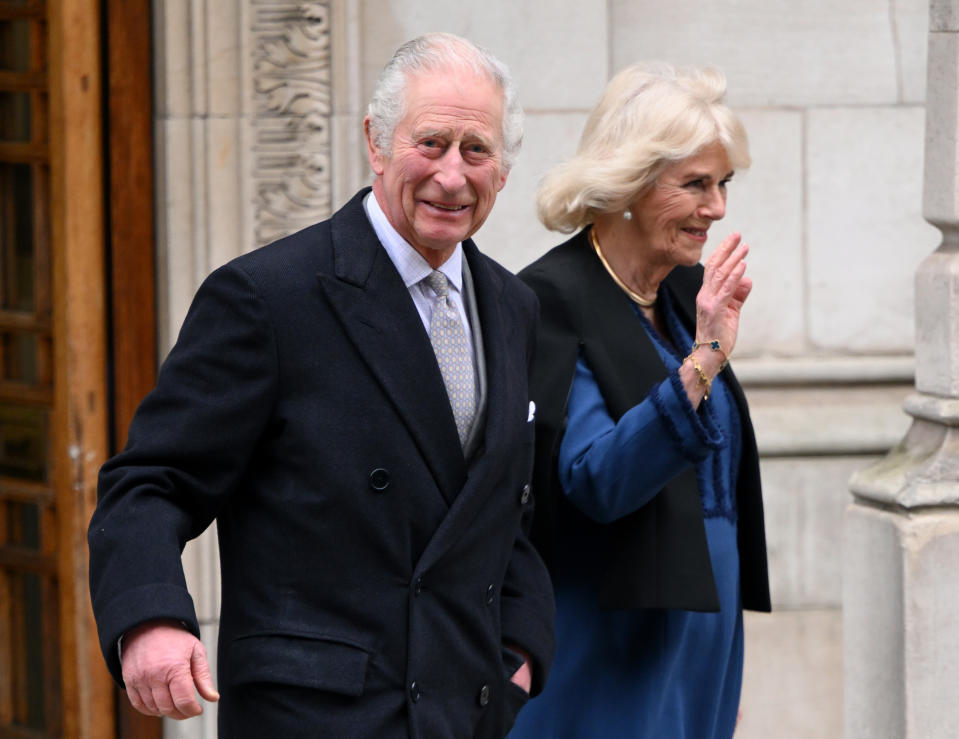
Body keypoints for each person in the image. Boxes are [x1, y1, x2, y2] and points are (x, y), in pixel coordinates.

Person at [88, 32, 554, 737]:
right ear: (375, 141)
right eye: (429, 143)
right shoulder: (267, 297)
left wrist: (519, 649)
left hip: (467, 711)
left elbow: (503, 512)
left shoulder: (513, 306)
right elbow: (152, 480)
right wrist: (150, 617)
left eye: (476, 150)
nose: (452, 176)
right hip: (316, 716)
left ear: (504, 168)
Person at [508, 63, 771, 738]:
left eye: (722, 185)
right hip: (609, 635)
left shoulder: (682, 295)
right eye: (695, 184)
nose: (715, 207)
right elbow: (596, 480)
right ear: (627, 184)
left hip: (700, 631)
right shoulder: (551, 299)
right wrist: (703, 360)